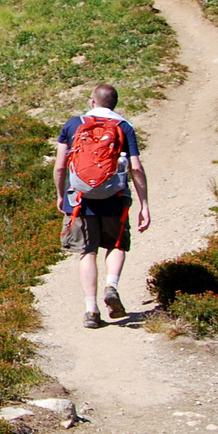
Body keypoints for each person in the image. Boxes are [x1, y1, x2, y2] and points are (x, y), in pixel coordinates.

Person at [55, 83, 151, 328]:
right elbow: (136, 168)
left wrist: (60, 195)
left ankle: (91, 310)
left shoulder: (73, 124)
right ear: (114, 103)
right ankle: (112, 286)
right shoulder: (124, 127)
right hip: (115, 197)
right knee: (116, 244)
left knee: (87, 252)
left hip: (78, 199)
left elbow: (60, 166)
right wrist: (144, 205)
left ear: (92, 101)